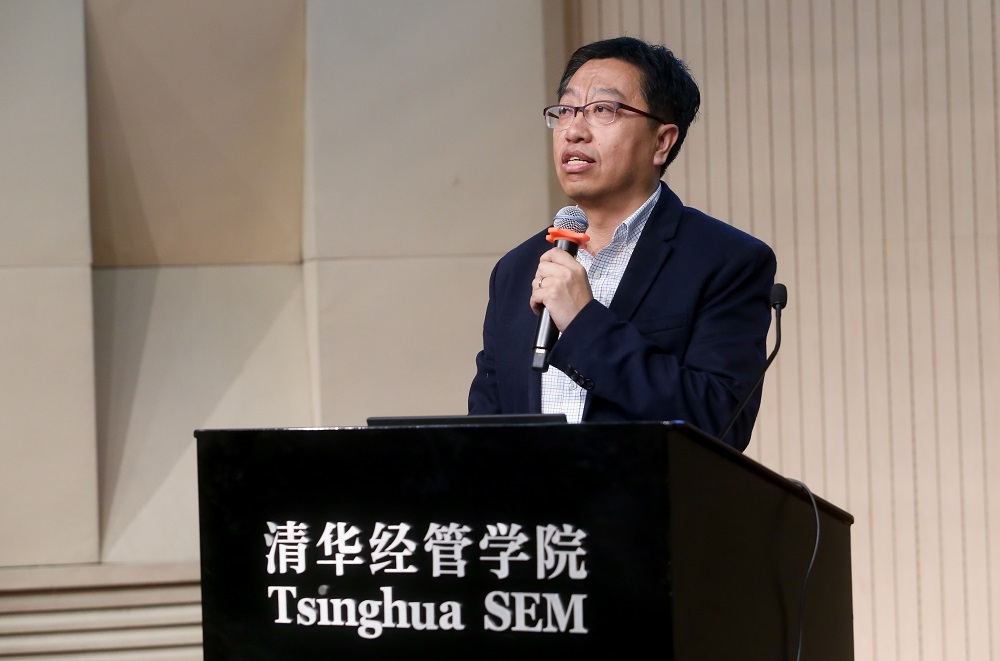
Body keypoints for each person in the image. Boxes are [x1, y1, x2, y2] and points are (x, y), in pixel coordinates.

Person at [467, 37, 776, 451]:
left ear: (661, 142)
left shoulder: (726, 261)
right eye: (566, 110)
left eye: (602, 110)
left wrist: (583, 323)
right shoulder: (516, 269)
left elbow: (719, 421)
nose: (574, 131)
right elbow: (484, 428)